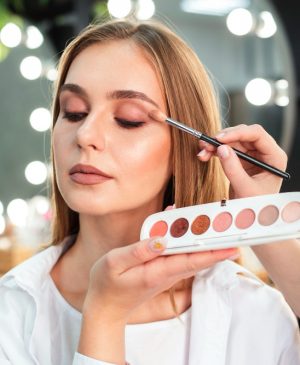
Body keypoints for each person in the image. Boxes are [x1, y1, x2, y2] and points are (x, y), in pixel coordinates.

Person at [0, 18, 299, 365]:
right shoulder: (12, 311)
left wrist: (261, 219)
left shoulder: (250, 311)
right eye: (73, 112)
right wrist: (104, 316)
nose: (85, 135)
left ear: (187, 147)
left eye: (129, 119)